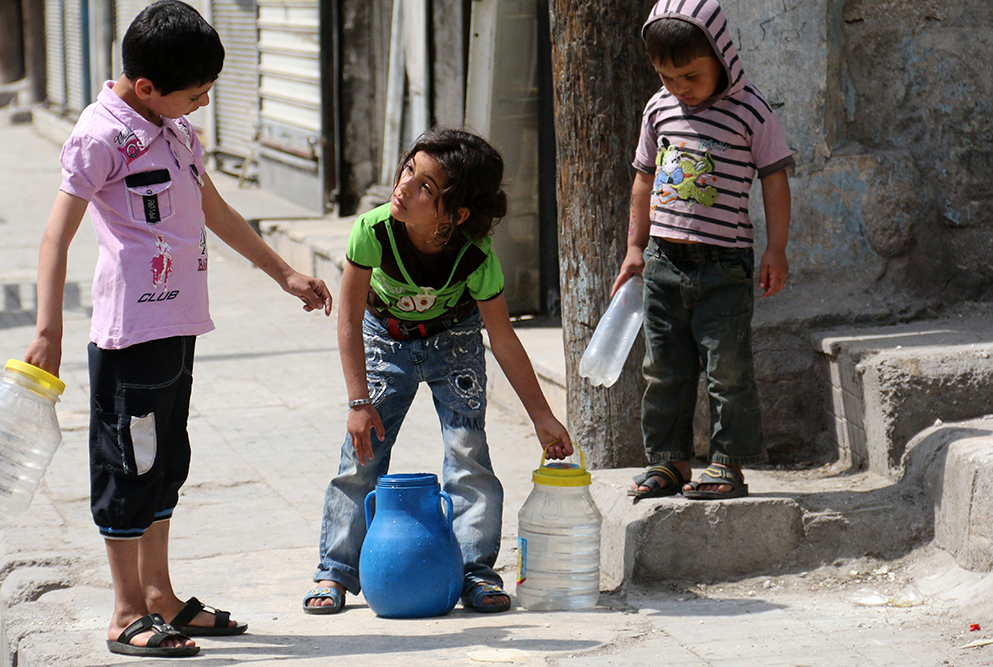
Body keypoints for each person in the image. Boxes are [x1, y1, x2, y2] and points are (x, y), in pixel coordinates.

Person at [23, 1, 332, 657]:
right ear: (146, 88)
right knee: (127, 467)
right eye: (193, 96)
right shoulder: (101, 138)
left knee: (165, 465)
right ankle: (125, 609)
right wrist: (47, 329)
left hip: (178, 324)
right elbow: (56, 235)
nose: (200, 106)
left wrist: (283, 273)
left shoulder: (175, 130)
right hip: (130, 333)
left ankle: (161, 595)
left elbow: (212, 207)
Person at [302, 129, 573, 615]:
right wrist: (358, 402)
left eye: (426, 185)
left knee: (467, 452)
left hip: (455, 341)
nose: (405, 185)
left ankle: (475, 572)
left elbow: (504, 339)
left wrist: (542, 415)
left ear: (457, 214)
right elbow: (348, 316)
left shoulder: (475, 256)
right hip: (385, 340)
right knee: (360, 456)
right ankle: (335, 571)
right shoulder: (373, 230)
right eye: (409, 169)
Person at [616, 0, 794, 501]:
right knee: (663, 368)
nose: (679, 88)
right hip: (662, 262)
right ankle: (669, 462)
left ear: (722, 55)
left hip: (725, 268)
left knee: (727, 369)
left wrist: (775, 249)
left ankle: (727, 464)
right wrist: (635, 248)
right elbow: (643, 182)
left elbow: (775, 182)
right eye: (666, 76)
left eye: (690, 75)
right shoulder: (659, 109)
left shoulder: (751, 110)